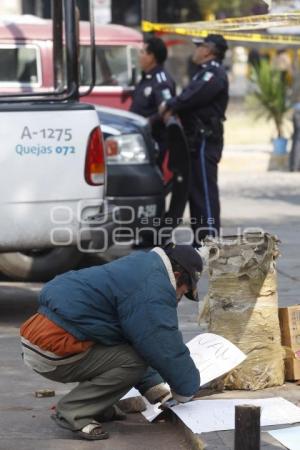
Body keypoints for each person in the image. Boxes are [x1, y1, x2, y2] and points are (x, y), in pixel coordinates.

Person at [20, 243, 203, 440]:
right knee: (133, 362)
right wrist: (186, 388)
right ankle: (74, 411)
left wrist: (155, 388)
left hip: (43, 335)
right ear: (175, 276)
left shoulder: (143, 265)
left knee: (132, 350)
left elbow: (136, 339)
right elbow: (164, 345)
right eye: (183, 292)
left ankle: (98, 407)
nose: (179, 298)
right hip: (54, 345)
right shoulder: (153, 286)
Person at [160, 34, 229, 244]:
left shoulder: (213, 73)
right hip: (195, 139)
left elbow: (192, 96)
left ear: (208, 50)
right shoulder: (203, 72)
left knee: (205, 190)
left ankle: (208, 238)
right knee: (195, 191)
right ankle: (201, 238)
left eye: (199, 47)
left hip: (205, 139)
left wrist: (170, 104)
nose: (196, 51)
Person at [130, 37, 176, 166]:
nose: (139, 56)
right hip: (140, 137)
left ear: (152, 57)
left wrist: (147, 122)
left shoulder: (161, 80)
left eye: (142, 52)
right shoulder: (146, 78)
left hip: (153, 137)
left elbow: (167, 108)